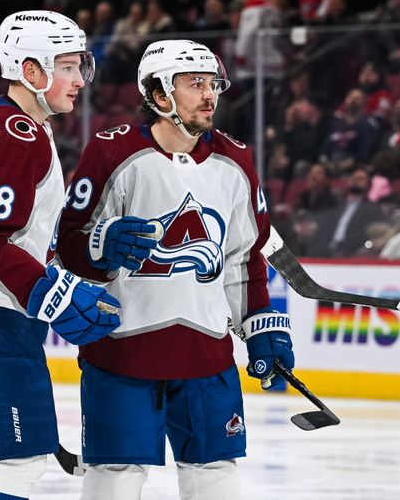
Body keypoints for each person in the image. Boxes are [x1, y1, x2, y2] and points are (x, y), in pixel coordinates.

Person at [0, 11, 147, 500]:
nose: (80, 79)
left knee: (7, 461)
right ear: (30, 71)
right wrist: (49, 291)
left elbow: (5, 232)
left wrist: (62, 263)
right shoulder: (13, 133)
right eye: (66, 66)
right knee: (13, 464)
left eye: (80, 65)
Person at [56, 40, 295, 500]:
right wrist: (100, 245)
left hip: (208, 356)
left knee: (215, 477)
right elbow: (68, 245)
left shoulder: (236, 160)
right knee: (115, 478)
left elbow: (244, 257)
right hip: (121, 354)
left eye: (213, 84)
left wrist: (261, 326)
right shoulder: (111, 154)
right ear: (160, 95)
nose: (210, 95)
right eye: (195, 84)